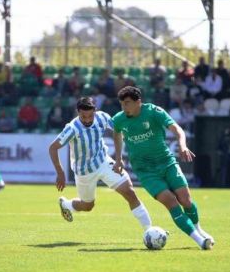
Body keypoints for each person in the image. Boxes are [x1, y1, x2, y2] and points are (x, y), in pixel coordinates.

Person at [112, 86, 214, 250]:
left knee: (185, 200)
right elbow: (116, 134)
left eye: (127, 103)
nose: (124, 108)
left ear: (139, 102)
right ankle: (199, 241)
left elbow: (177, 129)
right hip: (145, 171)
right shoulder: (119, 119)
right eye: (122, 104)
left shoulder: (154, 112)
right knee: (172, 202)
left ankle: (199, 229)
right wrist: (118, 159)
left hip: (167, 163)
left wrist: (182, 146)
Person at [48, 97, 152, 233]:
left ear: (95, 111)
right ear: (78, 112)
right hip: (84, 171)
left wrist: (120, 157)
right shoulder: (72, 128)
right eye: (83, 116)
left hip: (103, 162)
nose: (87, 120)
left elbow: (119, 130)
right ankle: (67, 204)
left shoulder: (102, 117)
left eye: (90, 116)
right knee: (87, 206)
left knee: (129, 192)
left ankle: (149, 230)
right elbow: (53, 148)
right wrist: (60, 173)